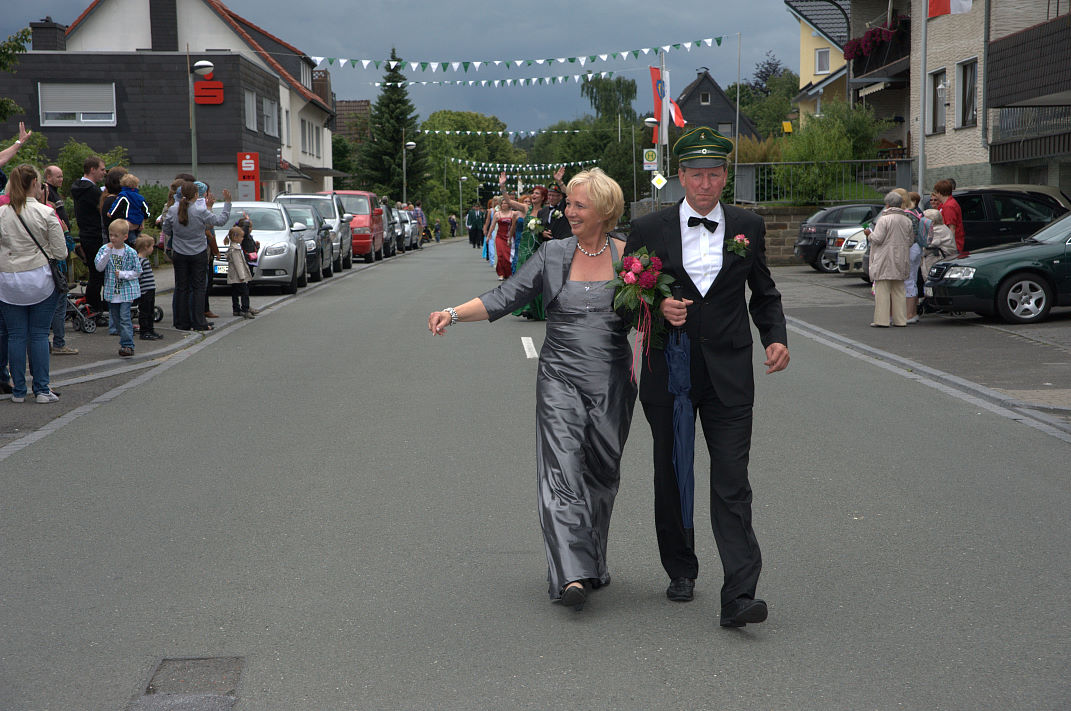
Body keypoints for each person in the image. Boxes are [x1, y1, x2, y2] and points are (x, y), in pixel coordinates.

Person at [428, 168, 636, 611]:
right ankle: (570, 574)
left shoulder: (631, 257)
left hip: (612, 382)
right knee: (561, 472)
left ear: (605, 211)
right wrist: (453, 312)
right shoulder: (552, 253)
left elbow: (653, 311)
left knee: (601, 475)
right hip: (560, 377)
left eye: (579, 205)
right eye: (569, 203)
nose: (569, 211)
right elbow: (507, 295)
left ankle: (592, 562)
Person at [625, 127, 789, 628]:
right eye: (696, 175)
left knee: (732, 482)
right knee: (673, 472)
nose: (705, 184)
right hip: (668, 372)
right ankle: (680, 568)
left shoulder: (748, 225)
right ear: (680, 176)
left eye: (714, 175)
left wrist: (775, 337)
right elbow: (625, 298)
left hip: (729, 374)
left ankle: (739, 594)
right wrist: (657, 305)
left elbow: (764, 291)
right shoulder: (648, 227)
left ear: (725, 176)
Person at [0, 164, 68, 403]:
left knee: (16, 336)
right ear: (34, 183)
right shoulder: (46, 212)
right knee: (39, 335)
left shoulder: (2, 213)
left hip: (9, 280)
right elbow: (60, 253)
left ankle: (19, 390)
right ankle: (41, 389)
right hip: (40, 278)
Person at [161, 181, 231, 331]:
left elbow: (166, 229)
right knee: (198, 288)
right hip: (198, 252)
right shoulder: (200, 210)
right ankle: (199, 322)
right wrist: (227, 203)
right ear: (196, 195)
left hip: (179, 252)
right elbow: (220, 221)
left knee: (181, 287)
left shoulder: (173, 209)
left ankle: (182, 322)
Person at [868, 191, 915, 328]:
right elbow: (910, 241)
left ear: (887, 204)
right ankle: (900, 320)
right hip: (901, 258)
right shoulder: (907, 220)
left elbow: (878, 238)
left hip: (885, 258)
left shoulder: (884, 219)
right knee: (899, 290)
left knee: (882, 290)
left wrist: (869, 234)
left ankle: (882, 320)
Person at [95, 218, 141, 357]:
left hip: (126, 292)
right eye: (111, 235)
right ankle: (124, 339)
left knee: (125, 318)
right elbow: (99, 267)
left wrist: (122, 274)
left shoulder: (130, 252)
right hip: (112, 291)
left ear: (125, 237)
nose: (113, 238)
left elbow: (137, 271)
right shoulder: (104, 249)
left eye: (116, 236)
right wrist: (107, 253)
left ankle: (127, 345)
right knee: (116, 319)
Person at [70, 155, 108, 315]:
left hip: (85, 234)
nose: (104, 173)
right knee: (97, 275)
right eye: (102, 169)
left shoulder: (78, 188)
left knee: (94, 274)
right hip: (95, 235)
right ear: (92, 169)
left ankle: (93, 306)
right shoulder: (92, 191)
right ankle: (95, 308)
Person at [108, 173, 150, 245]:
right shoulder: (140, 197)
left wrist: (110, 213)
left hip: (128, 222)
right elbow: (146, 210)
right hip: (138, 223)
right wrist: (144, 219)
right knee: (138, 242)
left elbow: (116, 205)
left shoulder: (123, 196)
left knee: (131, 242)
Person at [134, 235, 162, 341]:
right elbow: (137, 275)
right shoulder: (140, 260)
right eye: (152, 246)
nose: (152, 249)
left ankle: (150, 330)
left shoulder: (144, 260)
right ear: (146, 247)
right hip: (144, 290)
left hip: (149, 289)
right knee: (145, 312)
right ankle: (144, 331)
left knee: (150, 311)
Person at [224, 225, 255, 319]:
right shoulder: (235, 250)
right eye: (241, 237)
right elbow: (238, 264)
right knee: (245, 292)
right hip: (238, 276)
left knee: (235, 292)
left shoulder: (232, 248)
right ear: (235, 237)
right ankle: (245, 309)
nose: (242, 239)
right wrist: (242, 276)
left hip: (234, 276)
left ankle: (236, 309)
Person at [931, 179, 965, 255]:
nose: (936, 195)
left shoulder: (949, 206)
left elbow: (952, 229)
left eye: (936, 192)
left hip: (950, 246)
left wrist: (950, 247)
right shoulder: (945, 204)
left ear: (940, 192)